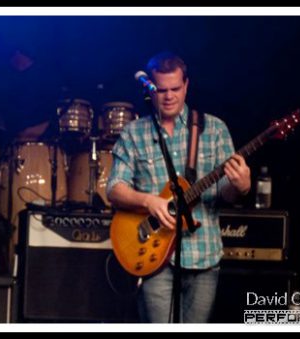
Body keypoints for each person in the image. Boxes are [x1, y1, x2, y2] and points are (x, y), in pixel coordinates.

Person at [106, 52, 251, 323]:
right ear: (151, 88)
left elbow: (225, 195)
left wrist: (240, 187)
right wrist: (150, 202)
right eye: (161, 90)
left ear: (186, 85)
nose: (169, 96)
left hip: (204, 255)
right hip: (154, 255)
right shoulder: (134, 133)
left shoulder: (215, 129)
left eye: (175, 88)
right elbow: (114, 189)